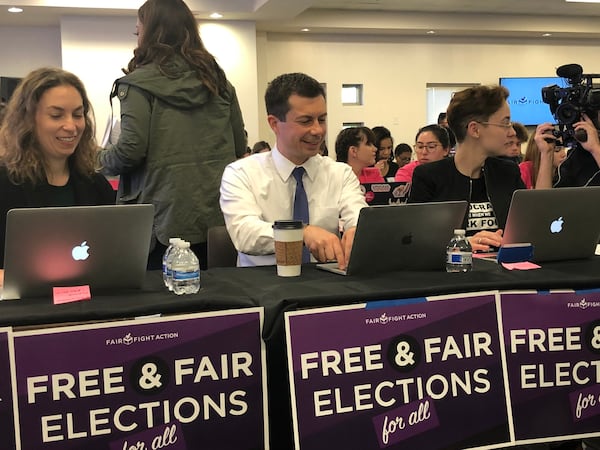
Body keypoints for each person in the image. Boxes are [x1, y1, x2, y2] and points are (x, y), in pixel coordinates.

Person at [97, 0, 247, 270]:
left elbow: (129, 151)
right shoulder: (219, 83)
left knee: (164, 304)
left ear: (150, 33)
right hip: (217, 218)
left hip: (158, 225)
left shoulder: (137, 85)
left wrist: (95, 157)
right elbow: (240, 145)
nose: (137, 36)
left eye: (138, 30)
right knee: (219, 302)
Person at [220, 72, 367, 269]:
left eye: (322, 119)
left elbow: (358, 214)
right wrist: (300, 233)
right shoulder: (241, 173)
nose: (318, 131)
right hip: (262, 285)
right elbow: (244, 233)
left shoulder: (340, 174)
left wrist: (358, 230)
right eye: (306, 121)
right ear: (274, 124)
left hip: (327, 283)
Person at [0, 67, 115, 284]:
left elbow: (113, 255)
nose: (71, 126)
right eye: (56, 115)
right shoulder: (4, 182)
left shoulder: (95, 183)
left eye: (78, 115)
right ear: (28, 120)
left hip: (90, 305)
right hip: (22, 311)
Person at [408, 85, 554, 252]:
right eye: (505, 123)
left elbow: (536, 222)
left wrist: (546, 154)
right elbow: (415, 239)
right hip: (454, 272)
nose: (512, 132)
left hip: (507, 272)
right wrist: (460, 243)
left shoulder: (507, 171)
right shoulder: (429, 176)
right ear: (475, 129)